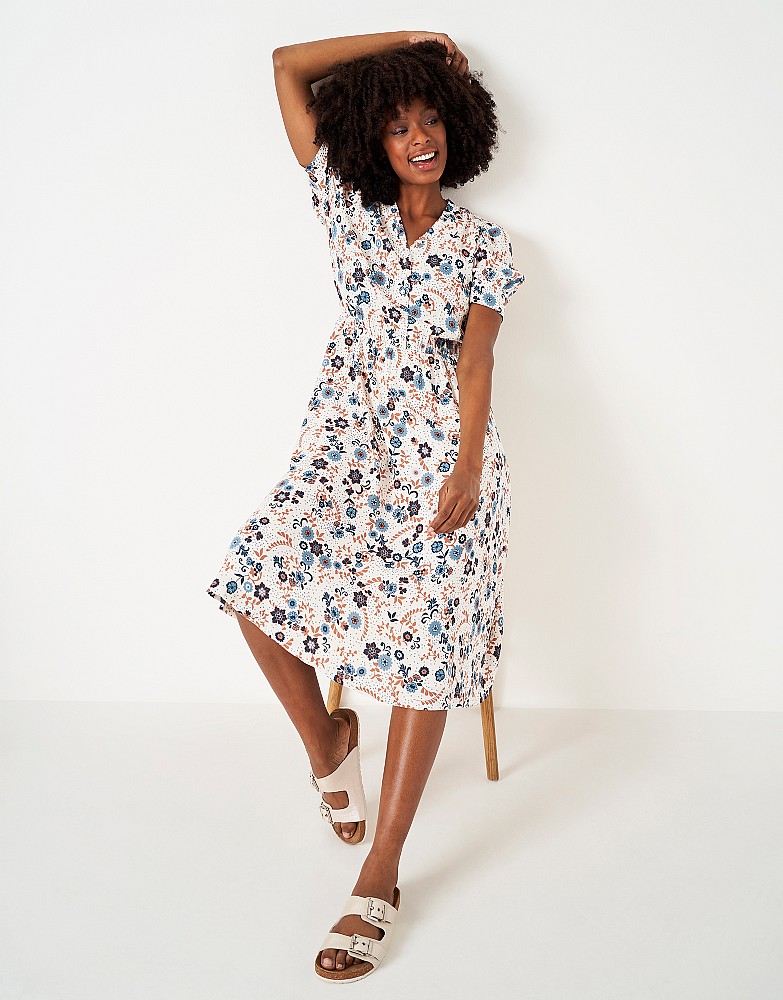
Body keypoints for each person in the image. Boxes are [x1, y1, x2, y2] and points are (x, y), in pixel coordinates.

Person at [206, 30, 525, 982]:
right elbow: (285, 66)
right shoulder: (348, 208)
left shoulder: (483, 244)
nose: (419, 137)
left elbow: (477, 362)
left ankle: (380, 873)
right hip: (343, 449)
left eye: (430, 117)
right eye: (396, 124)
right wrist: (412, 44)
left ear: (456, 128)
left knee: (428, 635)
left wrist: (466, 466)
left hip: (442, 458)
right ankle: (328, 741)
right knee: (250, 578)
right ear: (369, 141)